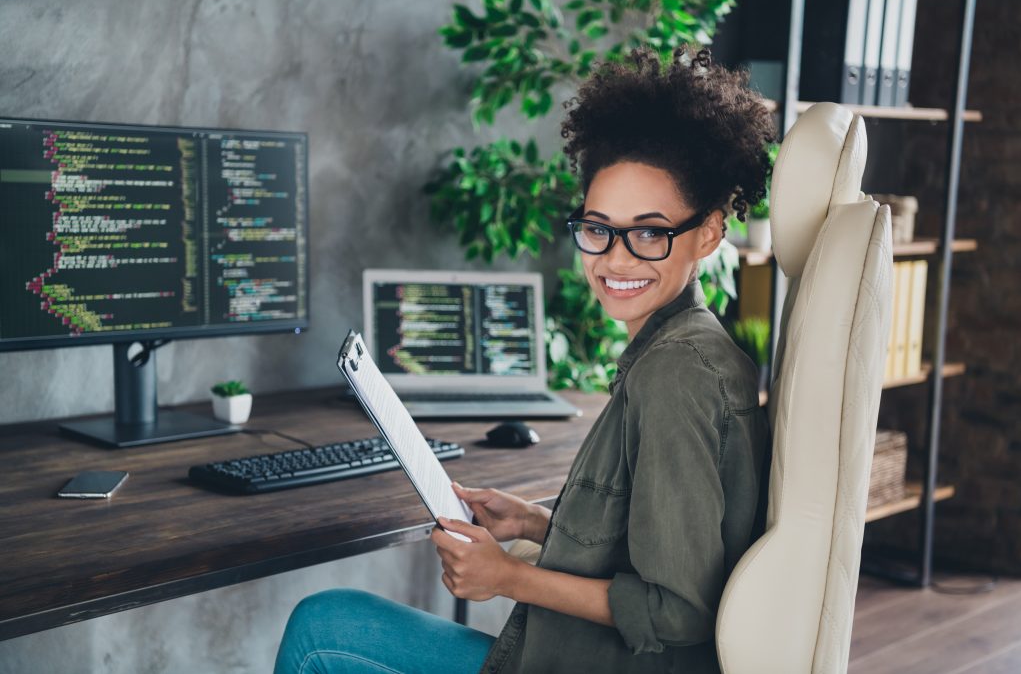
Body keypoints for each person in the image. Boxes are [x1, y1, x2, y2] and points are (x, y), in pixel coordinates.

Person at [275, 45, 774, 674]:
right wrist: (537, 522)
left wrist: (506, 576)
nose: (615, 259)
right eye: (598, 227)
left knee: (321, 629)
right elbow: (649, 537)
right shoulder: (680, 347)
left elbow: (679, 610)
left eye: (649, 232)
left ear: (709, 232)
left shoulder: (677, 374)